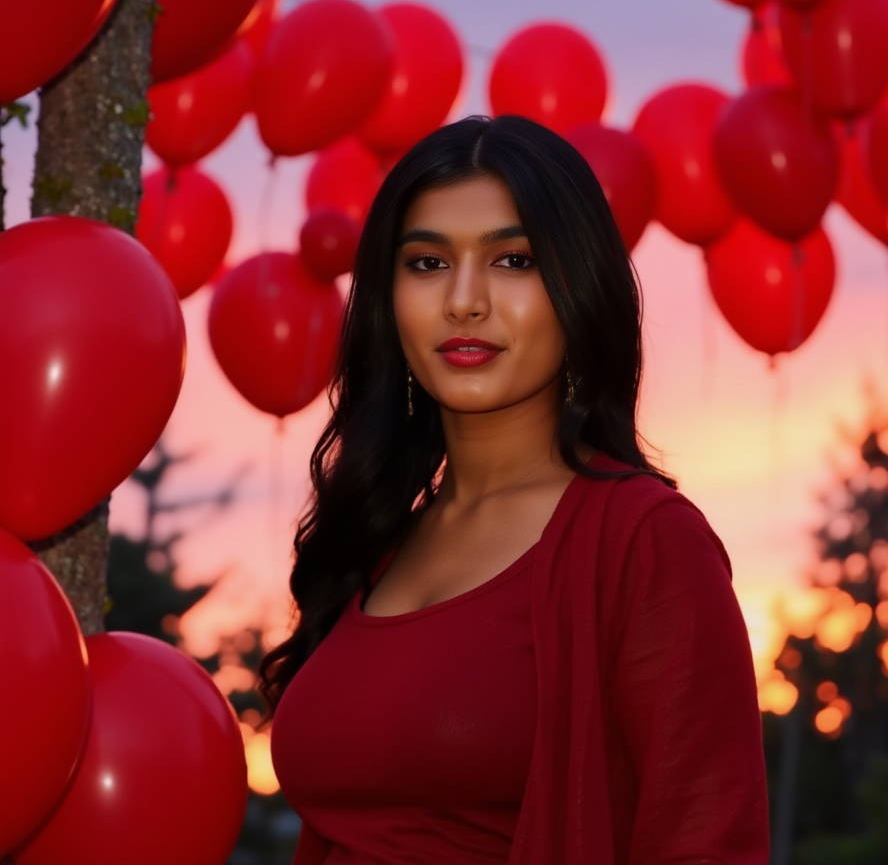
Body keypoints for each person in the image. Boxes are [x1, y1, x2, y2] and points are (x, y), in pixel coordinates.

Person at [264, 115, 769, 865]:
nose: (464, 301)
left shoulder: (644, 541)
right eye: (428, 264)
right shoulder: (376, 545)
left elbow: (705, 837)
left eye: (514, 260)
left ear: (580, 290)